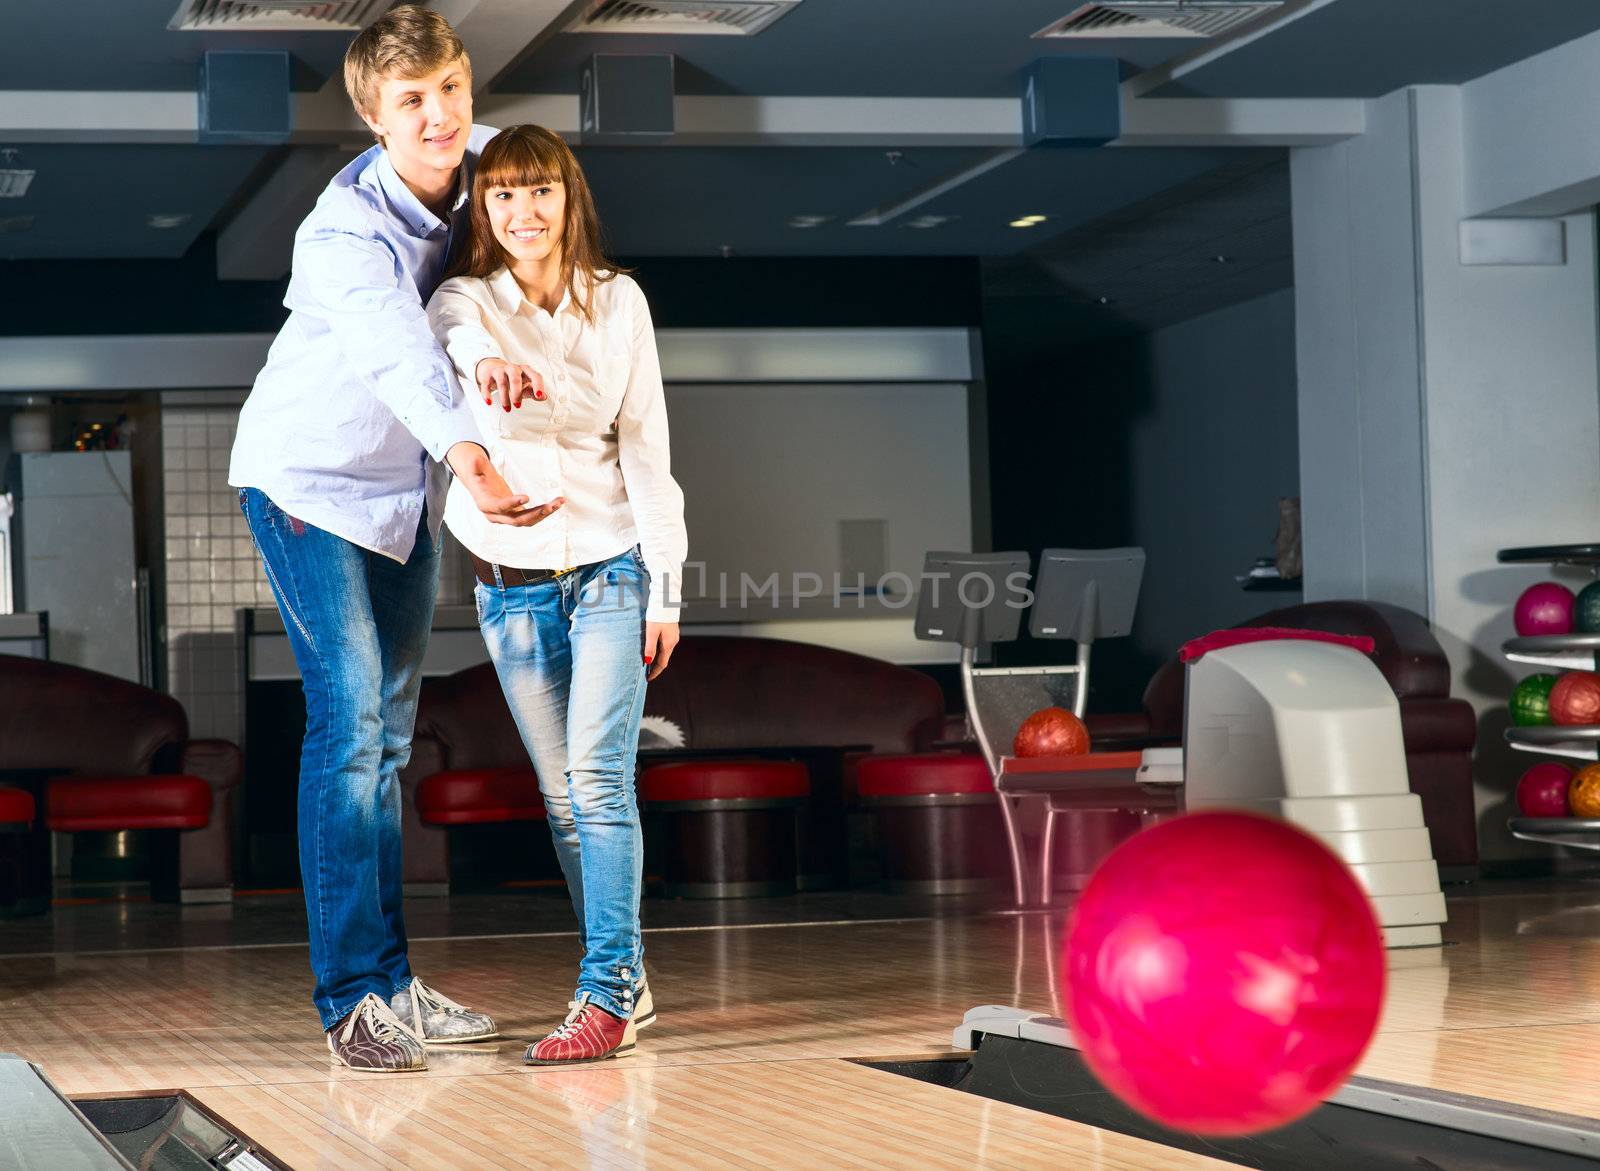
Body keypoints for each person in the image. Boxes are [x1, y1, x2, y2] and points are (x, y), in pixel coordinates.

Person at [228, 7, 560, 1073]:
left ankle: (394, 983)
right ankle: (349, 1000)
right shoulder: (339, 232)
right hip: (305, 484)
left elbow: (493, 295)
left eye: (450, 90)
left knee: (389, 738)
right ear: (373, 116)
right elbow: (395, 355)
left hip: (401, 493)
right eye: (411, 100)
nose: (438, 115)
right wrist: (474, 456)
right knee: (351, 720)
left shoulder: (479, 182)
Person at [428, 124, 687, 1066]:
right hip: (512, 586)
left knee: (597, 782)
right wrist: (481, 363)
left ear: (568, 198)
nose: (523, 212)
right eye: (502, 195)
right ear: (484, 210)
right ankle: (627, 976)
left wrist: (668, 588)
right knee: (562, 796)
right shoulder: (464, 300)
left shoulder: (620, 303)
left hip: (614, 564)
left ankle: (607, 991)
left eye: (540, 191)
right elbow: (453, 341)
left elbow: (649, 450)